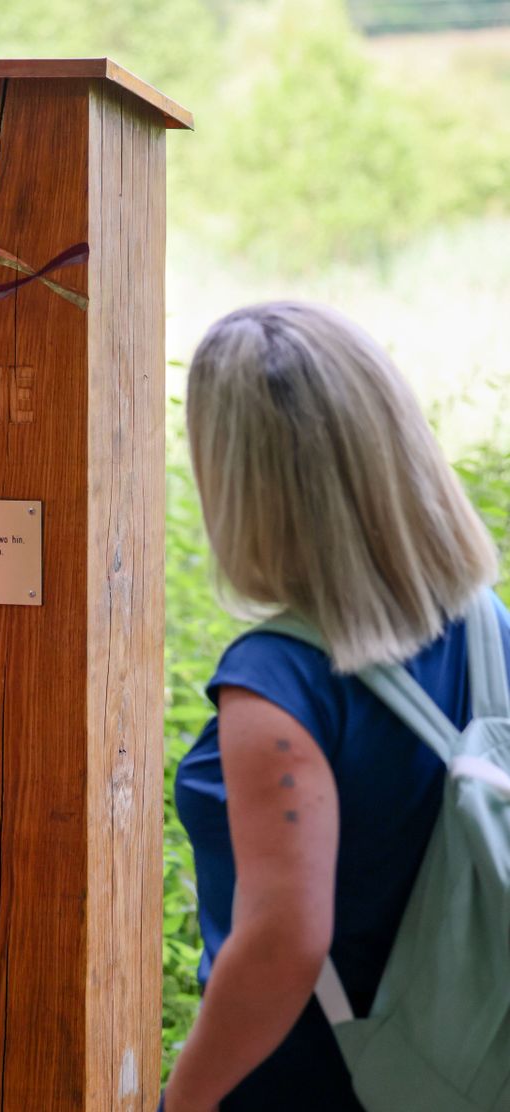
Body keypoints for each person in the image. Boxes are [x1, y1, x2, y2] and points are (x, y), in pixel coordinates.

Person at [163, 302, 504, 1112]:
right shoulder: (487, 626)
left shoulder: (276, 685)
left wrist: (186, 1101)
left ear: (239, 478)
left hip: (317, 1084)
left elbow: (283, 944)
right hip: (471, 1070)